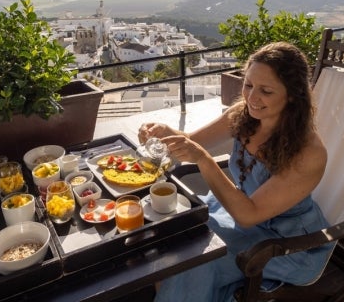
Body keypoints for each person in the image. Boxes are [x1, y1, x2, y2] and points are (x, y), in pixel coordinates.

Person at [138, 42, 331, 301]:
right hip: (232, 213)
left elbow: (248, 215)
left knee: (195, 261)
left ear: (293, 94)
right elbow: (193, 141)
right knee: (174, 234)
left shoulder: (308, 153)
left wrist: (204, 160)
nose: (252, 97)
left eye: (266, 90)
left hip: (286, 243)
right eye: (248, 85)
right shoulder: (243, 115)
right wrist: (164, 132)